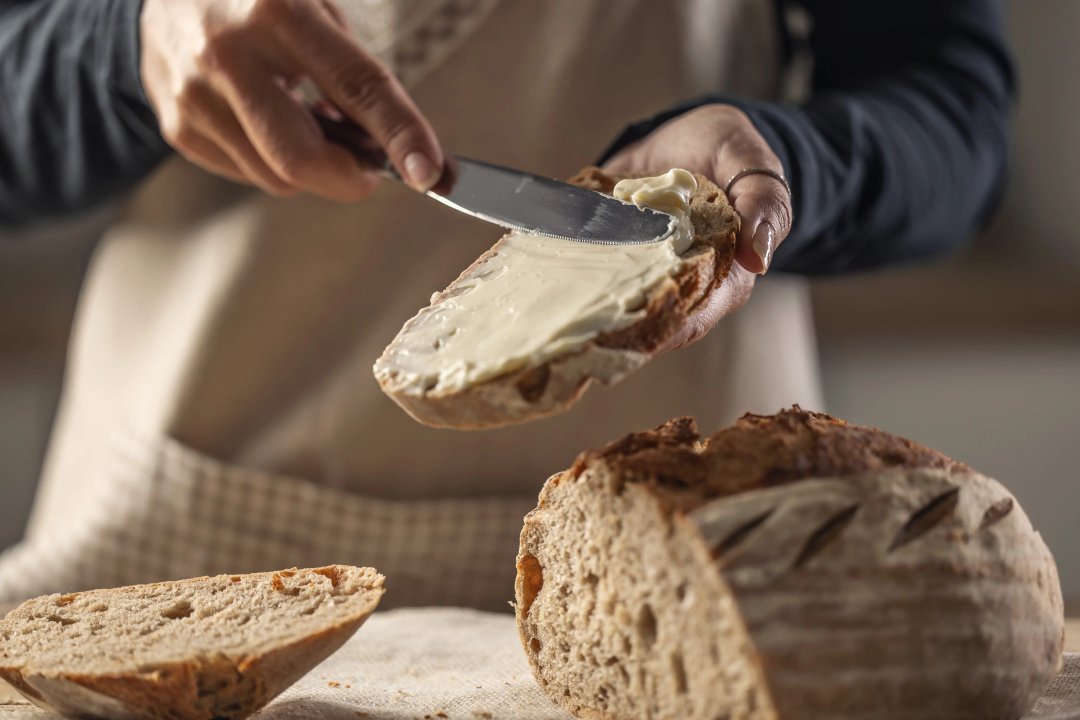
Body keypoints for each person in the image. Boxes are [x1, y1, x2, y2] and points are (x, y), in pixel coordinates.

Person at [0, 0, 1013, 610]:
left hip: (687, 542)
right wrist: (122, 44)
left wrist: (779, 165)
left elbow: (955, 118)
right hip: (187, 527)